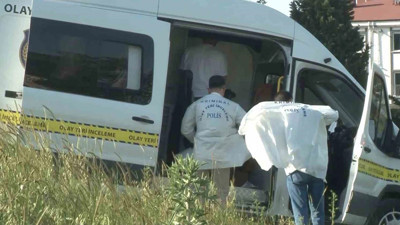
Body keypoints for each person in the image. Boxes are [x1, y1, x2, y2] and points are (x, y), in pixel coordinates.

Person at [238, 91, 338, 225]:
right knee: (318, 212)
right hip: (317, 168)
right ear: (292, 99)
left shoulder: (282, 113)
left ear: (276, 103)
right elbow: (333, 114)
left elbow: (254, 116)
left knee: (300, 213)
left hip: (295, 168)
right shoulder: (313, 111)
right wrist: (304, 107)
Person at [181, 75, 250, 202]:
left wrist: (195, 141)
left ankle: (197, 219)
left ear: (208, 89)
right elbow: (249, 124)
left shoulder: (196, 105)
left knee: (198, 191)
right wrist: (237, 138)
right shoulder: (233, 106)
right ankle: (217, 217)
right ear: (223, 89)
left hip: (201, 153)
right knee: (221, 192)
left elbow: (185, 129)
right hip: (223, 155)